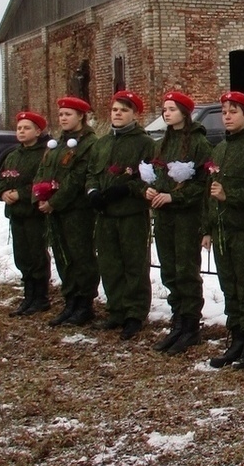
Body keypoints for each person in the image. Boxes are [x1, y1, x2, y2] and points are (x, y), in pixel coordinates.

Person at [146, 90, 213, 355]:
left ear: (184, 113)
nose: (167, 112)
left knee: (186, 270)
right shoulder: (160, 144)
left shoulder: (199, 144)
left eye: (172, 109)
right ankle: (177, 320)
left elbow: (202, 185)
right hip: (164, 217)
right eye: (164, 109)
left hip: (186, 217)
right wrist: (150, 191)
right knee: (170, 270)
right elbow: (155, 175)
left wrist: (174, 196)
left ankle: (190, 326)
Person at [86, 90, 155, 340]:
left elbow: (148, 176)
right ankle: (116, 309)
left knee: (133, 263)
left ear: (135, 114)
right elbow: (92, 171)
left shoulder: (144, 143)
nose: (118, 113)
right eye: (115, 109)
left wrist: (127, 188)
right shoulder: (102, 143)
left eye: (124, 110)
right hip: (105, 213)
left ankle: (135, 313)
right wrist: (93, 191)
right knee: (110, 263)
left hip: (131, 213)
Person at [206, 91, 244, 370]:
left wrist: (230, 195)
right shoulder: (219, 149)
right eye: (225, 112)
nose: (227, 117)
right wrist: (207, 228)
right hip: (222, 229)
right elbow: (211, 194)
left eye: (233, 112)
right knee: (229, 285)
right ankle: (237, 338)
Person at [34, 96, 100, 327]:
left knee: (80, 256)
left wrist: (55, 202)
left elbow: (77, 178)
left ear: (81, 116)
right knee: (63, 256)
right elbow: (43, 171)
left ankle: (84, 304)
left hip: (77, 210)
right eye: (61, 114)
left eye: (68, 114)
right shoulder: (57, 144)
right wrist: (40, 196)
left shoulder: (89, 144)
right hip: (56, 210)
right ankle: (70, 300)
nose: (63, 118)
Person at [0, 110, 50, 316]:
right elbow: (0, 179)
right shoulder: (12, 156)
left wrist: (22, 194)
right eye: (19, 128)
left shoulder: (44, 155)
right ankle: (29, 295)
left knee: (36, 256)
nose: (22, 131)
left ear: (38, 131)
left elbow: (43, 182)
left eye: (27, 128)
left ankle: (41, 297)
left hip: (34, 214)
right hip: (16, 215)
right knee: (22, 257)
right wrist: (3, 193)